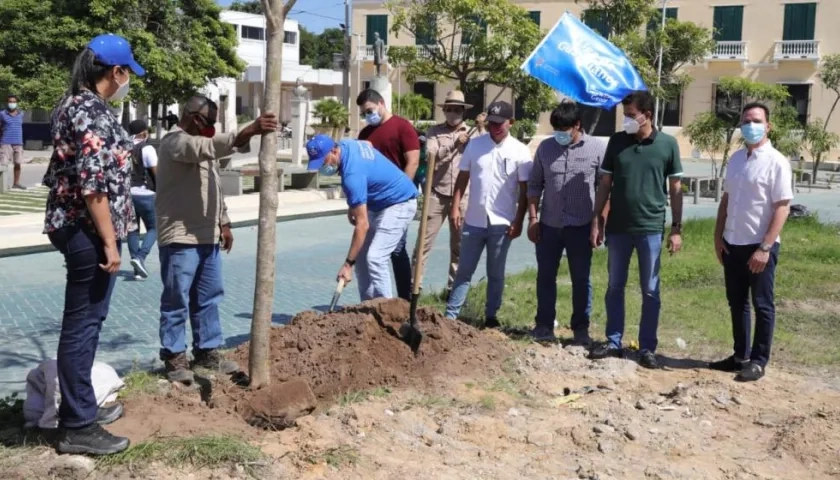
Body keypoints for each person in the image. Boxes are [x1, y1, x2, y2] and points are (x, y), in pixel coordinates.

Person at [41, 33, 145, 456]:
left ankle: (80, 406)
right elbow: (93, 187)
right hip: (87, 229)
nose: (127, 81)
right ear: (114, 72)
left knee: (89, 321)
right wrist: (110, 243)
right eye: (127, 74)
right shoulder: (89, 111)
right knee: (82, 324)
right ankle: (77, 426)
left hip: (82, 226)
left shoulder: (78, 105)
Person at [155, 95, 277, 384]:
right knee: (177, 299)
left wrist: (224, 222)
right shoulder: (175, 142)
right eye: (209, 121)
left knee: (209, 297)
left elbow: (214, 186)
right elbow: (206, 147)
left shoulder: (200, 149)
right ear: (194, 117)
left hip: (207, 235)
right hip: (180, 236)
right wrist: (248, 130)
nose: (211, 127)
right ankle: (174, 355)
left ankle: (207, 350)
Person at [588, 91, 684, 369]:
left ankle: (647, 348)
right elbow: (605, 184)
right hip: (618, 228)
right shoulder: (617, 142)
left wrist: (676, 228)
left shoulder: (668, 144)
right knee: (614, 287)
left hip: (651, 228)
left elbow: (676, 189)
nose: (627, 120)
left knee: (650, 290)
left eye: (631, 115)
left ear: (647, 115)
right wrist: (597, 219)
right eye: (625, 115)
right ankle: (613, 341)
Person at [710, 103, 793, 382]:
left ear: (768, 126)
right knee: (737, 303)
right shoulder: (735, 159)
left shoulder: (777, 161)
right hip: (732, 243)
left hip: (760, 245)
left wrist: (765, 247)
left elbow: (782, 207)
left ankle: (758, 361)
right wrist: (718, 236)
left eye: (756, 120)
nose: (750, 125)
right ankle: (739, 356)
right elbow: (726, 200)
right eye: (746, 121)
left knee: (762, 304)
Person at [444, 101, 532, 327]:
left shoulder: (521, 152)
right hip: (474, 219)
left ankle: (491, 316)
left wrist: (519, 220)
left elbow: (525, 191)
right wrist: (455, 207)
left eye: (500, 124)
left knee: (496, 272)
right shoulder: (475, 146)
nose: (495, 128)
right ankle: (451, 317)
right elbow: (463, 179)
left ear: (511, 123)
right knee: (464, 270)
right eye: (491, 123)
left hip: (502, 222)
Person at [527, 102, 606, 344]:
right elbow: (534, 185)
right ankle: (543, 325)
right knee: (545, 276)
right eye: (556, 128)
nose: (559, 133)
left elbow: (605, 188)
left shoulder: (596, 149)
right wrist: (533, 218)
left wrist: (598, 224)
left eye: (563, 128)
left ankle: (581, 328)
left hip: (581, 226)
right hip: (550, 224)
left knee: (581, 278)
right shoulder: (546, 148)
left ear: (577, 126)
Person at [305, 134, 418, 299]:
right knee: (363, 259)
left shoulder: (352, 176)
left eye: (324, 160)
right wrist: (354, 205)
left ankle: (386, 314)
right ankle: (367, 309)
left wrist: (347, 265)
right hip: (380, 203)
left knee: (376, 257)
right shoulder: (346, 144)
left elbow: (362, 225)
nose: (323, 166)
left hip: (400, 203)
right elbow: (368, 143)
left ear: (334, 150)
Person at [356, 88, 420, 301]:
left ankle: (403, 300)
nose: (368, 116)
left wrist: (399, 192)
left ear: (381, 103)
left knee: (395, 250)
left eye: (370, 110)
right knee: (370, 254)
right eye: (364, 113)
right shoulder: (365, 135)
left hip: (396, 201)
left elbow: (412, 161)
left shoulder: (402, 127)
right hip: (374, 204)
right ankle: (373, 300)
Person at [416, 90, 474, 298]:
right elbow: (431, 157)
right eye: (449, 109)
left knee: (459, 246)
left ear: (463, 111)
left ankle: (453, 290)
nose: (453, 112)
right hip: (436, 193)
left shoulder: (473, 133)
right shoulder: (434, 132)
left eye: (457, 109)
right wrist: (454, 144)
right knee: (423, 243)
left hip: (462, 196)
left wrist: (481, 127)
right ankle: (415, 288)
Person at [126, 119, 157, 280]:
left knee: (133, 229)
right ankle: (140, 257)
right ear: (144, 132)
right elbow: (155, 172)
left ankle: (137, 270)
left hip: (128, 194)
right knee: (154, 228)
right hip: (145, 194)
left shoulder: (125, 147)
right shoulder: (147, 148)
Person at [0, 94, 26, 189]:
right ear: (7, 103)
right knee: (4, 164)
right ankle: (2, 184)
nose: (12, 103)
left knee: (18, 163)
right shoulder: (2, 114)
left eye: (14, 102)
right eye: (10, 102)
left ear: (17, 103)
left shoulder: (21, 114)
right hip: (6, 142)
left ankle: (16, 183)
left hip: (18, 142)